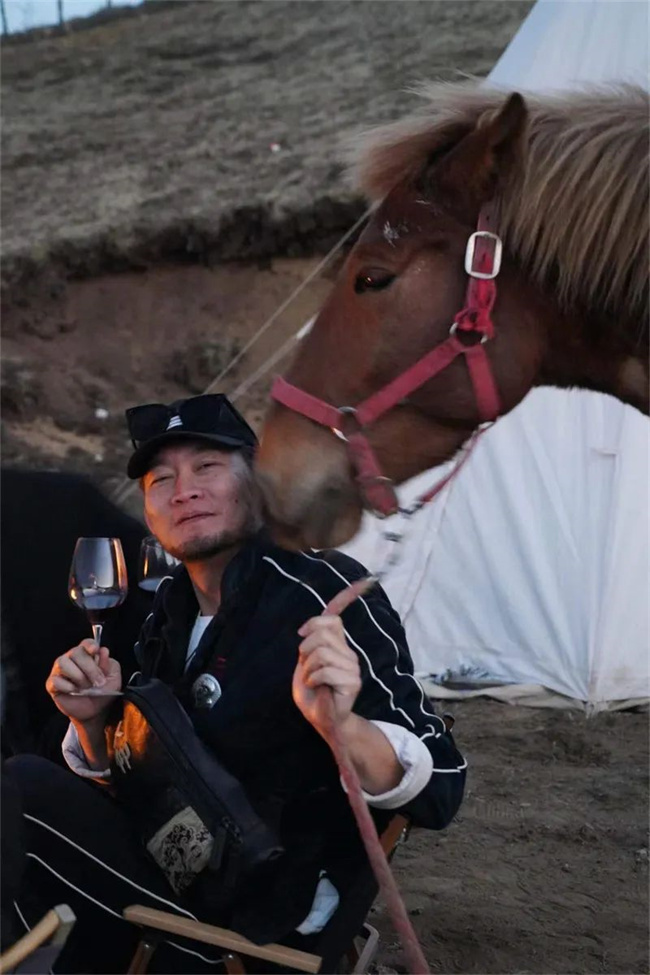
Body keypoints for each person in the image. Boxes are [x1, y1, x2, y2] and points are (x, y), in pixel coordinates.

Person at [5, 393, 466, 974]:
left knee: (19, 790)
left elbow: (441, 784)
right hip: (179, 877)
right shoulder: (166, 612)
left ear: (258, 485)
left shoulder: (321, 596)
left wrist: (343, 727)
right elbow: (154, 779)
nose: (184, 491)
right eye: (161, 480)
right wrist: (93, 725)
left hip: (252, 934)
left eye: (207, 467)